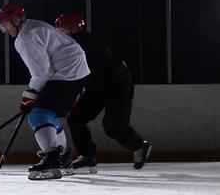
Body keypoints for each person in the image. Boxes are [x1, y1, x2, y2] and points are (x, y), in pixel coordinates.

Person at [0, 3, 90, 180]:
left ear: (16, 20)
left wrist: (29, 95)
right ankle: (63, 157)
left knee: (38, 114)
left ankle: (53, 158)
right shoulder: (33, 25)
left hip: (67, 73)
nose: (4, 28)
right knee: (49, 114)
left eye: (6, 23)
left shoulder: (25, 38)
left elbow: (41, 72)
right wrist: (31, 95)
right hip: (76, 71)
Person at [55, 12, 151, 172]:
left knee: (113, 127)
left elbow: (87, 73)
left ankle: (140, 146)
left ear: (74, 28)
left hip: (117, 85)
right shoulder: (71, 44)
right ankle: (87, 156)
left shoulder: (87, 44)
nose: (59, 33)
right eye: (59, 29)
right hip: (97, 85)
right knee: (76, 118)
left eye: (63, 29)